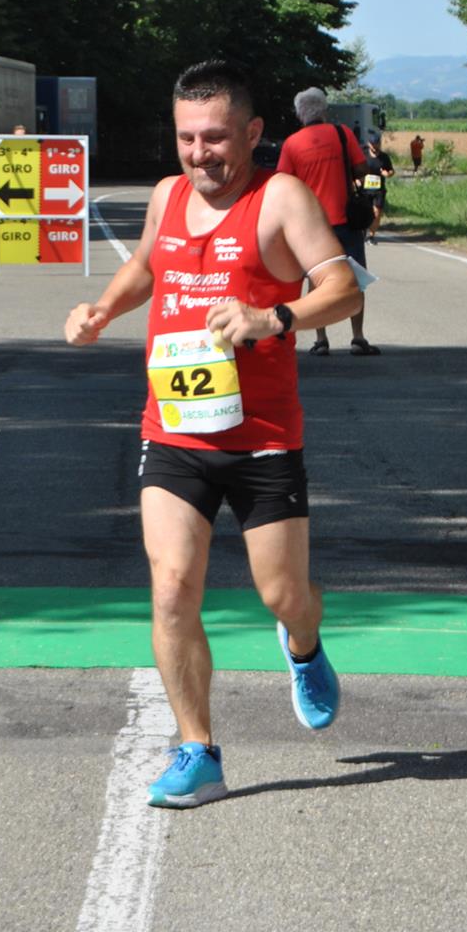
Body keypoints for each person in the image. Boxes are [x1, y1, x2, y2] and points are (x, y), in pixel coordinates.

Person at [64, 58, 362, 808]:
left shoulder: (279, 199)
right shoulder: (167, 195)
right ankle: (198, 750)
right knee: (171, 588)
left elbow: (344, 288)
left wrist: (274, 317)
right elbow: (146, 267)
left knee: (282, 593)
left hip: (262, 436)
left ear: (253, 132)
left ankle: (302, 642)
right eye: (188, 138)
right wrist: (101, 310)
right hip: (174, 431)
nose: (201, 154)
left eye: (217, 137)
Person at [278, 87, 379, 355]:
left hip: (311, 225)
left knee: (317, 281)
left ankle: (321, 340)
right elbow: (362, 169)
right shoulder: (342, 134)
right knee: (355, 279)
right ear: (324, 110)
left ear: (299, 114)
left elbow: (283, 183)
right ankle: (358, 337)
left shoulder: (292, 144)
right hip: (346, 219)